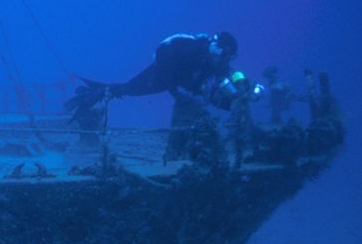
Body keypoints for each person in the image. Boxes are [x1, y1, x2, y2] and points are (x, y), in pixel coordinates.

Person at [67, 32, 246, 159]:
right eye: (224, 55)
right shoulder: (193, 50)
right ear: (217, 49)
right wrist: (176, 90)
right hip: (162, 76)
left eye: (228, 58)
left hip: (182, 92)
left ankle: (97, 92)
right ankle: (95, 92)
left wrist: (233, 101)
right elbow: (167, 57)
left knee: (130, 89)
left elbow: (212, 90)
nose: (224, 61)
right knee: (131, 89)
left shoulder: (214, 65)